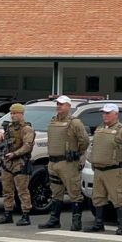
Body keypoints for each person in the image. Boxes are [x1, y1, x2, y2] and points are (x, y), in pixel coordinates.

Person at [39, 95, 90, 230]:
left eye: (61, 104)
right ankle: (54, 219)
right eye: (57, 104)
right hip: (53, 162)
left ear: (68, 106)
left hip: (68, 163)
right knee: (56, 192)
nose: (59, 106)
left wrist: (77, 153)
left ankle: (76, 221)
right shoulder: (53, 120)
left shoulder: (74, 122)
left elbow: (84, 140)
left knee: (74, 192)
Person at [86, 103, 122, 234]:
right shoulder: (100, 128)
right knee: (98, 197)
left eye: (108, 113)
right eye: (104, 113)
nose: (105, 115)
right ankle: (98, 223)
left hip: (114, 170)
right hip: (99, 170)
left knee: (119, 198)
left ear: (116, 114)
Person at [0, 103, 35, 226]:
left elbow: (27, 146)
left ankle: (25, 214)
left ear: (21, 114)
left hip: (20, 163)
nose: (12, 116)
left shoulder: (26, 129)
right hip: (8, 163)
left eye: (15, 113)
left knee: (22, 190)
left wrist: (15, 154)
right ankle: (8, 214)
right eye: (11, 113)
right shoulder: (9, 128)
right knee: (7, 190)